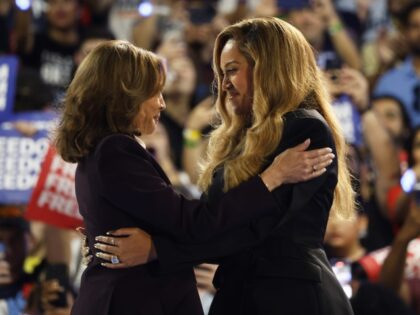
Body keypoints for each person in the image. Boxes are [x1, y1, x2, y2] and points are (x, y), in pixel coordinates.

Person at [94, 17, 355, 315]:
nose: (224, 84)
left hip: (295, 298)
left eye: (232, 70)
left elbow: (256, 228)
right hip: (239, 293)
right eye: (221, 72)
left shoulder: (306, 130)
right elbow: (210, 219)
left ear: (269, 69)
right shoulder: (238, 138)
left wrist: (157, 250)